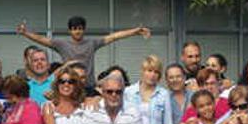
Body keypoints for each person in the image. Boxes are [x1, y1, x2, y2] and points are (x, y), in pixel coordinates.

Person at [16, 16, 150, 84]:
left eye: (80, 28)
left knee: (116, 76)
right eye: (74, 28)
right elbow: (42, 39)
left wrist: (135, 31)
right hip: (70, 84)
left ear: (83, 29)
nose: (77, 31)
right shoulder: (62, 44)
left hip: (89, 85)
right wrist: (25, 33)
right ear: (70, 30)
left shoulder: (92, 43)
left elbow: (113, 37)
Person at [124, 55, 172, 124]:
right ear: (142, 71)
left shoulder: (163, 94)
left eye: (156, 72)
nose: (152, 75)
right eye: (149, 71)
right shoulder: (128, 92)